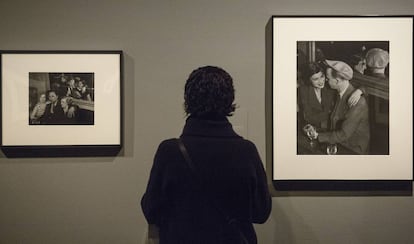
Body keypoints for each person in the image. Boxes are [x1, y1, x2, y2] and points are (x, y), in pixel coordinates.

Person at [141, 66, 271, 244]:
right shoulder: (246, 151)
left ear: (188, 100)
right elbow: (261, 212)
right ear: (229, 100)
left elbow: (152, 210)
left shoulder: (170, 151)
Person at [311, 60, 370, 154]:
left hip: (352, 149)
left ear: (337, 81)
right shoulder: (341, 90)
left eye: (328, 79)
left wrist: (319, 136)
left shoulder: (358, 103)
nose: (326, 81)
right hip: (338, 141)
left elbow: (343, 134)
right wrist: (315, 129)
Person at [298, 62, 336, 130]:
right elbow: (308, 117)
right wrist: (328, 114)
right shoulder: (304, 90)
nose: (321, 81)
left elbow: (351, 81)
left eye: (322, 76)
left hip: (331, 127)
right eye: (316, 79)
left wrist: (360, 90)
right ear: (308, 80)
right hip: (312, 128)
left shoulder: (330, 86)